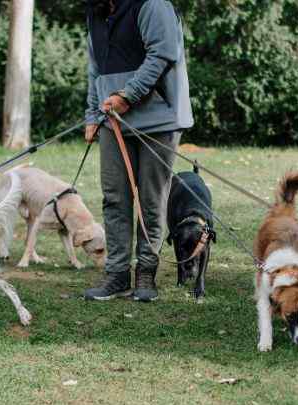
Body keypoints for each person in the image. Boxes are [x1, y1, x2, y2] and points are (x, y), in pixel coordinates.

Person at [83, 0, 193, 302]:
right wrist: (93, 115)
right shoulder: (95, 12)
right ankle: (117, 275)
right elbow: (96, 69)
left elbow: (163, 54)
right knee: (114, 199)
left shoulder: (152, 5)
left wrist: (127, 95)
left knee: (151, 200)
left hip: (158, 120)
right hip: (112, 121)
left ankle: (146, 272)